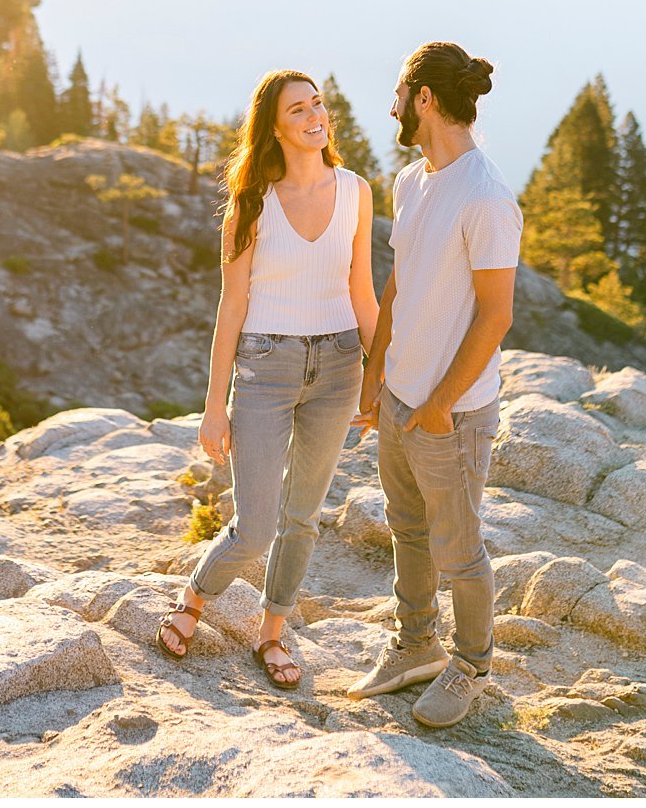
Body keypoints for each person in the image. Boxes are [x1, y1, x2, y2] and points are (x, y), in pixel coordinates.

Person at [155, 69, 378, 690]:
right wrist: (214, 406)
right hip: (264, 369)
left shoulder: (357, 190)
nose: (316, 117)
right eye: (299, 110)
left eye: (319, 104)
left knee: (302, 516)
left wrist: (377, 373)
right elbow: (230, 307)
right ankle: (195, 599)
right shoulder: (251, 202)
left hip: (337, 366)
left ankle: (272, 634)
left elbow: (360, 289)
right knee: (253, 527)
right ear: (275, 129)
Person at [346, 42, 521, 729]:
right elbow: (400, 281)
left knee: (460, 546)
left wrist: (442, 405)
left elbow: (497, 314)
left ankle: (471, 663)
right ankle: (416, 642)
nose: (390, 105)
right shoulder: (412, 181)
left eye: (398, 92)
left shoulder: (486, 196)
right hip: (398, 395)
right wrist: (374, 370)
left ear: (423, 97)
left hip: (453, 412)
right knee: (407, 528)